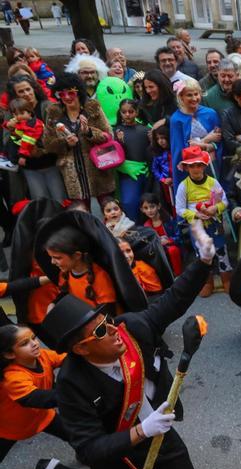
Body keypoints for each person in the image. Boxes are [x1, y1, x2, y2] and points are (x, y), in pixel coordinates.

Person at [40, 243, 215, 469]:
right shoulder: (71, 384)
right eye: (101, 332)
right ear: (81, 349)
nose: (114, 330)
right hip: (117, 450)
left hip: (156, 427)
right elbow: (88, 448)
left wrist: (203, 262)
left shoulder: (131, 328)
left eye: (108, 320)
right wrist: (140, 431)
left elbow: (173, 300)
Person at [42, 73, 115, 208]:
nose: (67, 97)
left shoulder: (93, 108)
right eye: (61, 94)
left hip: (98, 169)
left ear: (79, 92)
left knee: (109, 209)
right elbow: (47, 144)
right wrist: (65, 143)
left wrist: (89, 132)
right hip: (72, 174)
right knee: (81, 213)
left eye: (71, 93)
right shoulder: (54, 112)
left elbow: (108, 136)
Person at [0, 324, 69, 463]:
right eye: (25, 343)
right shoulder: (12, 377)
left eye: (34, 338)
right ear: (9, 354)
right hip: (11, 427)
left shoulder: (43, 356)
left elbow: (67, 358)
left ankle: (91, 457)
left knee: (75, 436)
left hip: (43, 416)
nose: (35, 344)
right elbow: (38, 398)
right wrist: (74, 393)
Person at [175, 145, 233, 295]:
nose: (196, 169)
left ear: (204, 166)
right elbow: (179, 209)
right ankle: (207, 282)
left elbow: (225, 201)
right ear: (187, 168)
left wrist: (215, 209)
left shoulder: (213, 182)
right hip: (198, 227)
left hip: (215, 223)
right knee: (202, 256)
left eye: (199, 165)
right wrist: (195, 215)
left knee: (221, 252)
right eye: (192, 166)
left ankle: (226, 279)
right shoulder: (183, 186)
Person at [44, 226, 118, 311]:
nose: (52, 262)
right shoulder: (65, 273)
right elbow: (65, 293)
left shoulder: (100, 277)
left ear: (77, 255)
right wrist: (54, 303)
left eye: (57, 258)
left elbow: (108, 311)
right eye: (51, 257)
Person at [169, 78, 223, 190]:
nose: (194, 98)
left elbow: (219, 139)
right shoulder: (176, 119)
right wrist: (205, 141)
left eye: (196, 94)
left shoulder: (210, 113)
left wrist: (201, 144)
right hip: (191, 168)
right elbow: (180, 148)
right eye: (189, 95)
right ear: (181, 97)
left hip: (211, 163)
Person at [113, 99, 151, 220]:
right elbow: (112, 154)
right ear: (120, 112)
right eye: (124, 112)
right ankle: (134, 231)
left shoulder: (145, 130)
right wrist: (119, 143)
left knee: (149, 203)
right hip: (128, 174)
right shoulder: (116, 131)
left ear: (137, 112)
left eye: (131, 111)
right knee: (129, 203)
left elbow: (152, 151)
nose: (127, 114)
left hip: (146, 171)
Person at [140, 192, 183, 276]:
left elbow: (179, 236)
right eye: (146, 208)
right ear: (142, 210)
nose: (149, 210)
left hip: (172, 247)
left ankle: (178, 274)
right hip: (159, 250)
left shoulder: (168, 220)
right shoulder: (146, 226)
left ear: (158, 206)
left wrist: (169, 240)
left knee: (172, 250)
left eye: (152, 207)